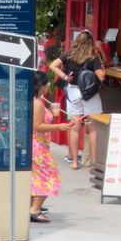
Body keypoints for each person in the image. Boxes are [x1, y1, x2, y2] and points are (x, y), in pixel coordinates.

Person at [49, 31, 107, 170]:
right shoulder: (93, 57)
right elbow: (101, 77)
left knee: (74, 128)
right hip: (89, 94)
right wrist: (101, 65)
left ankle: (74, 162)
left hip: (73, 93)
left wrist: (65, 76)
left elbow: (53, 65)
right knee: (92, 129)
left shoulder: (69, 54)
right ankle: (93, 162)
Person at [31, 71, 72, 222]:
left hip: (39, 145)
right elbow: (37, 126)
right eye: (47, 83)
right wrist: (58, 126)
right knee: (50, 175)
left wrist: (53, 117)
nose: (49, 85)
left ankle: (34, 206)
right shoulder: (37, 104)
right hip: (37, 146)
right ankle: (34, 209)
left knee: (37, 176)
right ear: (41, 86)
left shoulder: (39, 101)